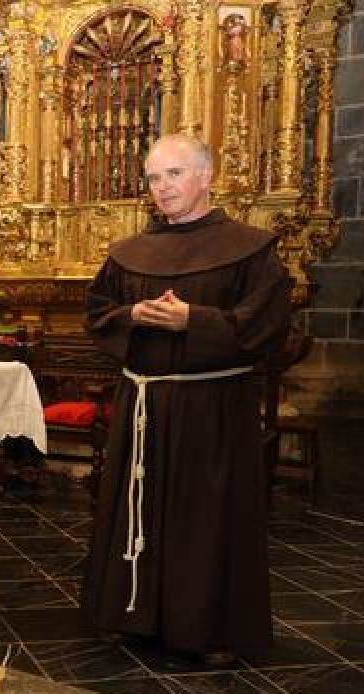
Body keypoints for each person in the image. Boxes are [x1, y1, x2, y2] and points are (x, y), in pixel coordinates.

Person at [80, 134, 292, 665]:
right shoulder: (130, 254)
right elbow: (99, 311)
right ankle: (134, 613)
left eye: (173, 174)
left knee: (206, 516)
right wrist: (134, 315)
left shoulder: (250, 247)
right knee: (140, 509)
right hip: (145, 405)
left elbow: (267, 324)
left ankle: (208, 628)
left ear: (206, 176)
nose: (162, 188)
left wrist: (193, 320)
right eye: (153, 178)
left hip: (212, 408)